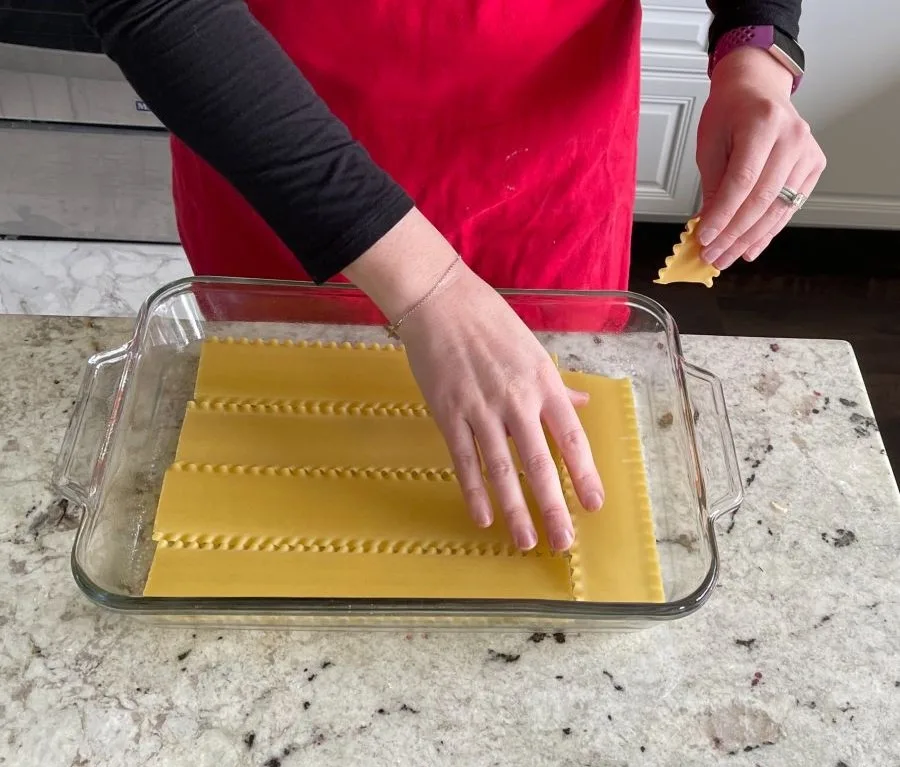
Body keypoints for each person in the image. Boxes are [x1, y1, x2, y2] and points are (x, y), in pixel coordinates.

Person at [86, 0, 823, 553]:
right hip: (286, 143)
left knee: (557, 486)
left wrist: (755, 48)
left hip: (546, 169)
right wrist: (428, 285)